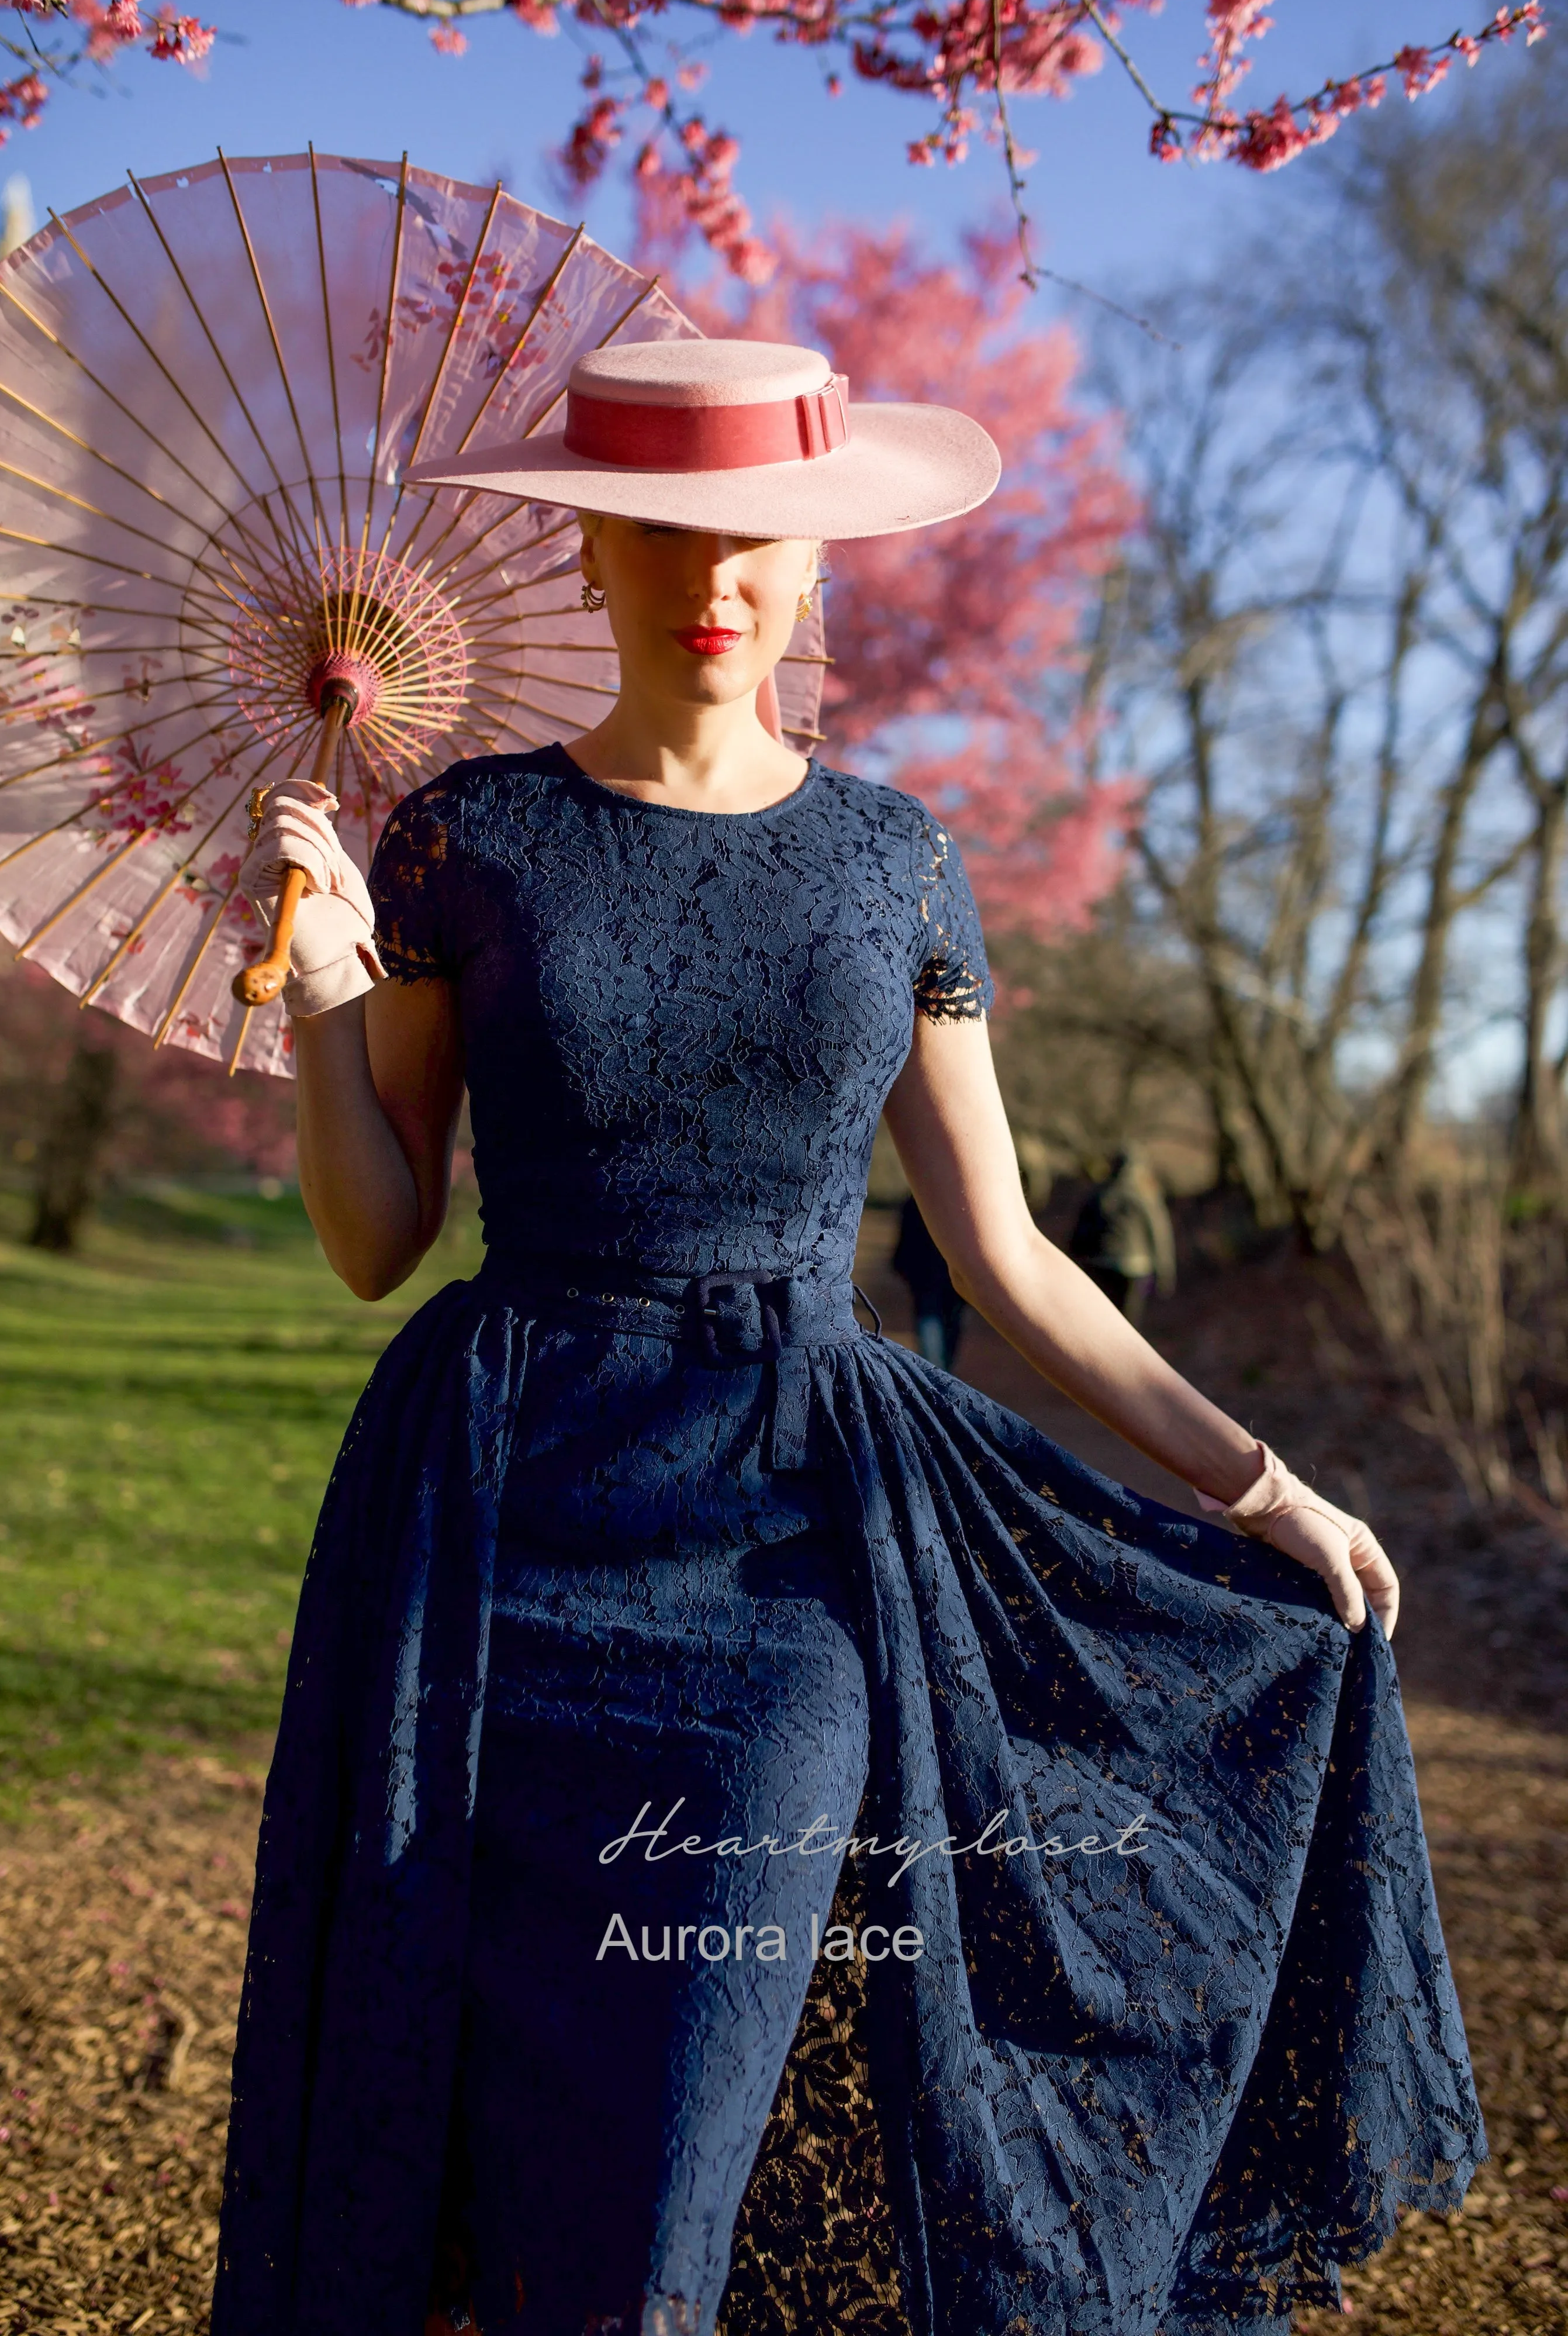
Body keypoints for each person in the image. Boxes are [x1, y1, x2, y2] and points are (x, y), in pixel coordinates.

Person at [212, 339, 1483, 2336]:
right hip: (491, 1524)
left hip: (788, 1546)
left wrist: (1263, 1481)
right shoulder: (467, 839)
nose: (713, 569)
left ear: (816, 563)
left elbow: (1008, 1252)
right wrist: (320, 991)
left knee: (664, 2158)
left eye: (758, 534)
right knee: (479, 2151)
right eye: (664, 526)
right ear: (591, 550)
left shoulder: (893, 863)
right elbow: (380, 1239)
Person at [1070, 1147, 1177, 1327]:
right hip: (1135, 1268)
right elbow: (1159, 1234)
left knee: (1101, 1322)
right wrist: (1165, 1271)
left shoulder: (1100, 1194)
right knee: (1128, 1324)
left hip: (1099, 1264)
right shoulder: (1145, 1197)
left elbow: (1080, 1233)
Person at [892, 1191, 965, 1369]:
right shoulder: (959, 1204)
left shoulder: (916, 1200)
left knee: (943, 1330)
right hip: (934, 1284)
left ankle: (940, 1377)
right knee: (940, 1330)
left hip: (938, 1285)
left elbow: (902, 1250)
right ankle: (940, 1379)